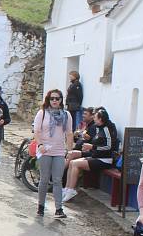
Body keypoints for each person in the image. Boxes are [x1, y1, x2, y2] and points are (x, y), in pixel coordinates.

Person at [33, 90, 74, 218]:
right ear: (48, 100)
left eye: (57, 98)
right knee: (44, 179)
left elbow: (69, 133)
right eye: (52, 99)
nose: (55, 101)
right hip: (44, 150)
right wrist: (40, 145)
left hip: (59, 151)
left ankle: (59, 208)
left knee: (57, 180)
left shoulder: (66, 115)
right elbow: (37, 131)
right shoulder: (42, 113)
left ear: (61, 100)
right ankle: (41, 206)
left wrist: (69, 149)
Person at [62, 108, 118, 202]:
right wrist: (89, 146)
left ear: (100, 119)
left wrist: (92, 147)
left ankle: (71, 190)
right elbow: (96, 142)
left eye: (95, 117)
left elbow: (109, 146)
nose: (94, 118)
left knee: (75, 164)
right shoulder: (98, 128)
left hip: (104, 159)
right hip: (96, 156)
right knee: (72, 162)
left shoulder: (106, 129)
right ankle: (67, 189)